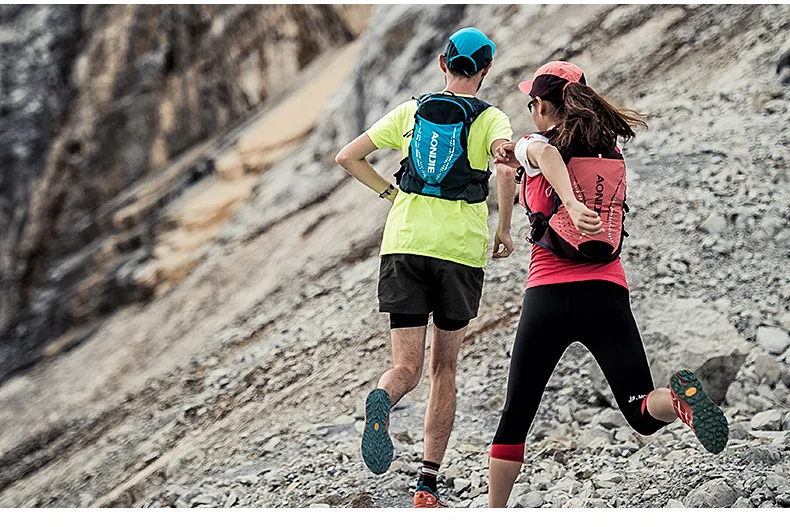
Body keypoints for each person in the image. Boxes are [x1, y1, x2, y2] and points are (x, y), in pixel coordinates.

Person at [487, 61, 729, 508]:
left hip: (547, 297)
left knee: (516, 416)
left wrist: (564, 204)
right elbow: (509, 172)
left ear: (542, 105)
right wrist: (508, 218)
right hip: (607, 294)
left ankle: (494, 514)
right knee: (641, 409)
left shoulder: (538, 144)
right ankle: (678, 401)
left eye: (530, 104)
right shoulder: (608, 150)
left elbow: (543, 157)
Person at [335, 27, 515, 508]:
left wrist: (389, 193)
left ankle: (383, 397)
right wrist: (504, 228)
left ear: (442, 62)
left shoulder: (410, 112)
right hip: (458, 252)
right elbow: (505, 166)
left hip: (404, 245)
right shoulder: (491, 118)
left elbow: (347, 156)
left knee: (406, 367)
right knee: (444, 368)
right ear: (486, 69)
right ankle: (426, 484)